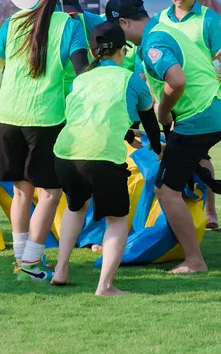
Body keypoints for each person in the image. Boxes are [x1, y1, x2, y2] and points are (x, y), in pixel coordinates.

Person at [107, 0, 221, 274]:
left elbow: (177, 79)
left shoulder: (154, 42)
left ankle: (195, 260)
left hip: (198, 117)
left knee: (166, 189)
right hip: (210, 111)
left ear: (123, 23)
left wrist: (162, 110)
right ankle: (190, 244)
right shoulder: (162, 29)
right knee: (173, 178)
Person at [0, 0, 89, 280]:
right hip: (45, 118)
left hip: (7, 115)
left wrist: (14, 86)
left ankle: (22, 260)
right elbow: (83, 74)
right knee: (50, 194)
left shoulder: (12, 22)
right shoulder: (70, 25)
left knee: (21, 191)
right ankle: (31, 264)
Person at [51, 22, 163, 295]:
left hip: (65, 154)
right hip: (101, 157)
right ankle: (105, 286)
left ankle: (60, 270)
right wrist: (159, 150)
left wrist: (124, 133)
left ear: (93, 51)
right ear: (123, 50)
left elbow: (93, 115)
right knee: (117, 219)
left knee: (75, 208)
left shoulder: (81, 79)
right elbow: (150, 122)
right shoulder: (130, 79)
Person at [158, 0, 221, 229]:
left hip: (203, 104)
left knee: (201, 157)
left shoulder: (210, 20)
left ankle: (210, 212)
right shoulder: (161, 20)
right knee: (181, 160)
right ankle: (187, 213)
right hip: (172, 101)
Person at [60, 0, 105, 96]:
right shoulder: (42, 25)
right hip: (55, 92)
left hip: (81, 91)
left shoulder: (93, 22)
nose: (73, 15)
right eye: (67, 12)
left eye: (74, 11)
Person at [103, 0, 140, 72]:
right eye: (113, 1)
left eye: (123, 2)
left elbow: (141, 73)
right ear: (107, 0)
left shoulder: (140, 31)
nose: (117, 6)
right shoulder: (95, 23)